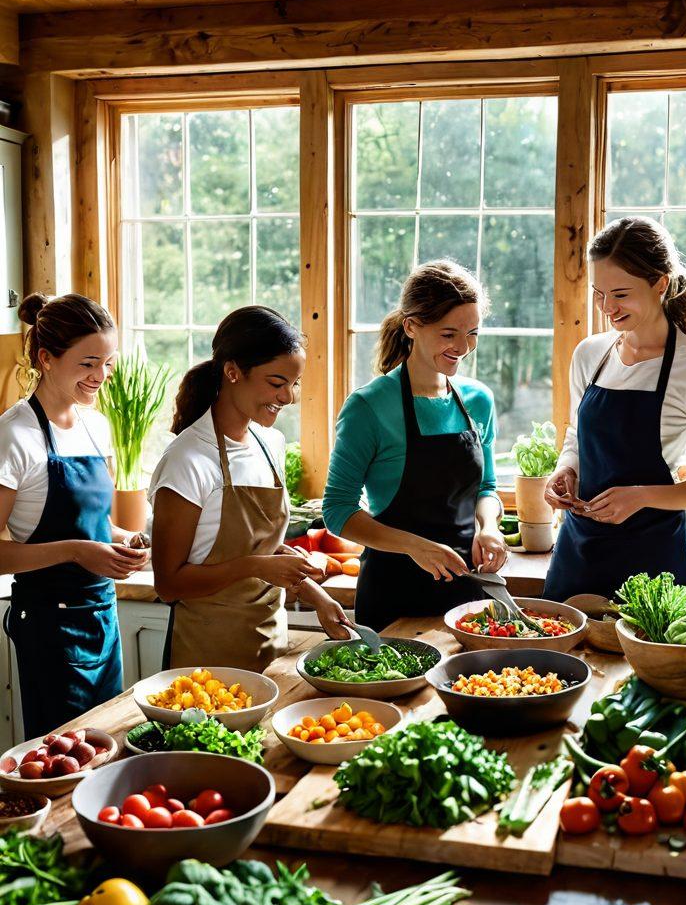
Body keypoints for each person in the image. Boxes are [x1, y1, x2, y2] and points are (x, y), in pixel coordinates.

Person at [543, 217, 686, 603]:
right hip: (579, 550)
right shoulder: (590, 355)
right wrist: (565, 470)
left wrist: (641, 496)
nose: (607, 308)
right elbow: (577, 437)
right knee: (555, 662)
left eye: (620, 294)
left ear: (660, 283)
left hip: (653, 561)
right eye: (599, 294)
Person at [150, 306, 350, 672]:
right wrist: (255, 566)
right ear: (232, 372)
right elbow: (168, 584)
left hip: (271, 647)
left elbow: (265, 549)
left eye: (295, 384)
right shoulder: (189, 459)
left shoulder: (269, 443)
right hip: (204, 662)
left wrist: (317, 597)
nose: (288, 397)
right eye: (277, 383)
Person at [323, 260, 506, 632]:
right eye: (448, 334)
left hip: (468, 595)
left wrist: (489, 527)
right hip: (393, 596)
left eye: (472, 333)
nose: (462, 347)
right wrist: (414, 546)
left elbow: (486, 487)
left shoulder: (478, 400)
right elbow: (338, 510)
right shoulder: (369, 407)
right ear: (411, 326)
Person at [0, 293, 148, 738]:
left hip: (101, 615)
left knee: (108, 744)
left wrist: (124, 539)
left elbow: (95, 523)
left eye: (108, 362)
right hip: (48, 623)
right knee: (63, 759)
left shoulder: (94, 426)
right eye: (87, 364)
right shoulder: (15, 435)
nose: (100, 376)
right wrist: (77, 552)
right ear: (46, 359)